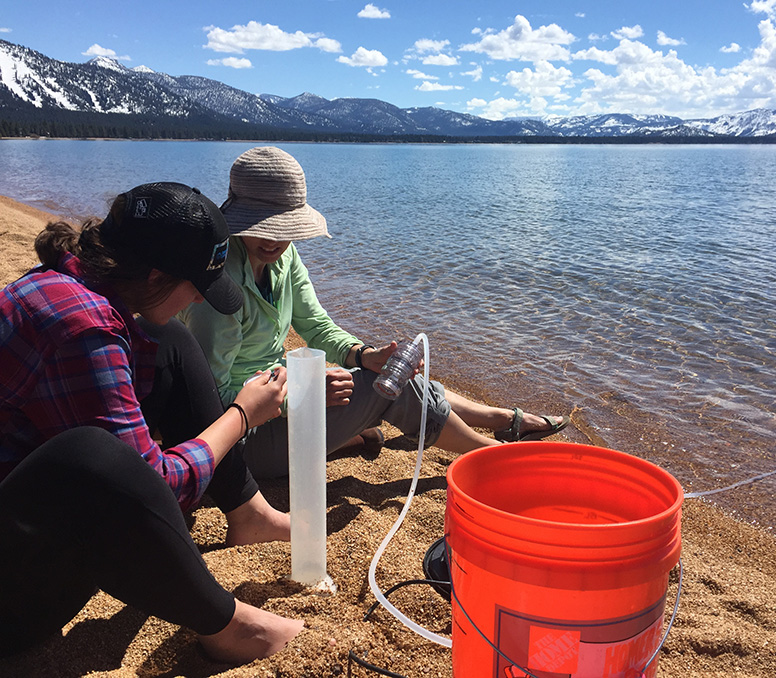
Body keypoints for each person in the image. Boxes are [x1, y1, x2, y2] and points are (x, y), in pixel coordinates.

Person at [0, 182, 302, 662]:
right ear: (157, 274)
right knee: (92, 455)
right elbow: (152, 484)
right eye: (197, 287)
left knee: (170, 342)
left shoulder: (66, 282)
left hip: (22, 509)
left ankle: (249, 513)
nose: (201, 302)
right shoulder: (86, 329)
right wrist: (241, 415)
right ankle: (228, 625)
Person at [179, 146, 569, 479]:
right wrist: (301, 394)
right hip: (240, 440)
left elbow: (316, 327)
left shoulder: (285, 258)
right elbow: (214, 398)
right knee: (389, 390)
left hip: (276, 410)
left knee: (385, 373)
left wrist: (366, 355)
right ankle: (497, 456)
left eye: (286, 227)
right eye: (264, 225)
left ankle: (498, 419)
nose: (277, 240)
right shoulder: (218, 281)